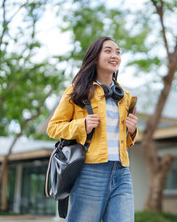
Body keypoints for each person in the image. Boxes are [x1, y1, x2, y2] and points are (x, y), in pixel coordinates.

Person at [46, 37, 138, 222]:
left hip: (121, 171)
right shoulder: (77, 91)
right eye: (108, 51)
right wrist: (82, 125)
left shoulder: (125, 97)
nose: (115, 55)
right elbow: (53, 128)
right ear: (95, 57)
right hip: (91, 171)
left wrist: (133, 131)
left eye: (118, 52)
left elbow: (125, 141)